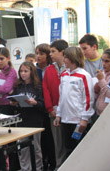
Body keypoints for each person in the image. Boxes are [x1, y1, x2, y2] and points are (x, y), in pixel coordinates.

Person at [54, 47, 95, 158]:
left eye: (66, 57)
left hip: (78, 121)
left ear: (73, 58)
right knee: (68, 150)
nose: (64, 59)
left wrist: (84, 119)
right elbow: (61, 97)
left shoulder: (84, 75)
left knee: (81, 152)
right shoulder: (64, 75)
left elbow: (88, 99)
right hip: (65, 120)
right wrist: (58, 114)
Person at [11, 61, 44, 171]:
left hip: (35, 120)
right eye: (21, 71)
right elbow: (13, 99)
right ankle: (25, 168)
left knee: (36, 147)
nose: (23, 74)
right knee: (22, 146)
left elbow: (43, 104)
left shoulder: (38, 87)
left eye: (26, 71)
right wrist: (14, 102)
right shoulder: (18, 86)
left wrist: (35, 103)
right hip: (22, 119)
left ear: (32, 72)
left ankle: (38, 167)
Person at [43, 39, 68, 170]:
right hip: (53, 110)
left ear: (62, 52)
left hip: (69, 111)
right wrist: (49, 108)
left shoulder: (70, 69)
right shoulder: (49, 69)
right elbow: (45, 89)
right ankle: (59, 166)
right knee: (57, 142)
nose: (50, 54)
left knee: (68, 141)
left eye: (53, 51)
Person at [35, 43, 56, 170]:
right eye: (37, 53)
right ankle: (43, 162)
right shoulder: (33, 69)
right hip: (38, 107)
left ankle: (52, 162)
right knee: (41, 139)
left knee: (50, 138)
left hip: (49, 106)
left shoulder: (51, 68)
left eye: (41, 54)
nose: (38, 56)